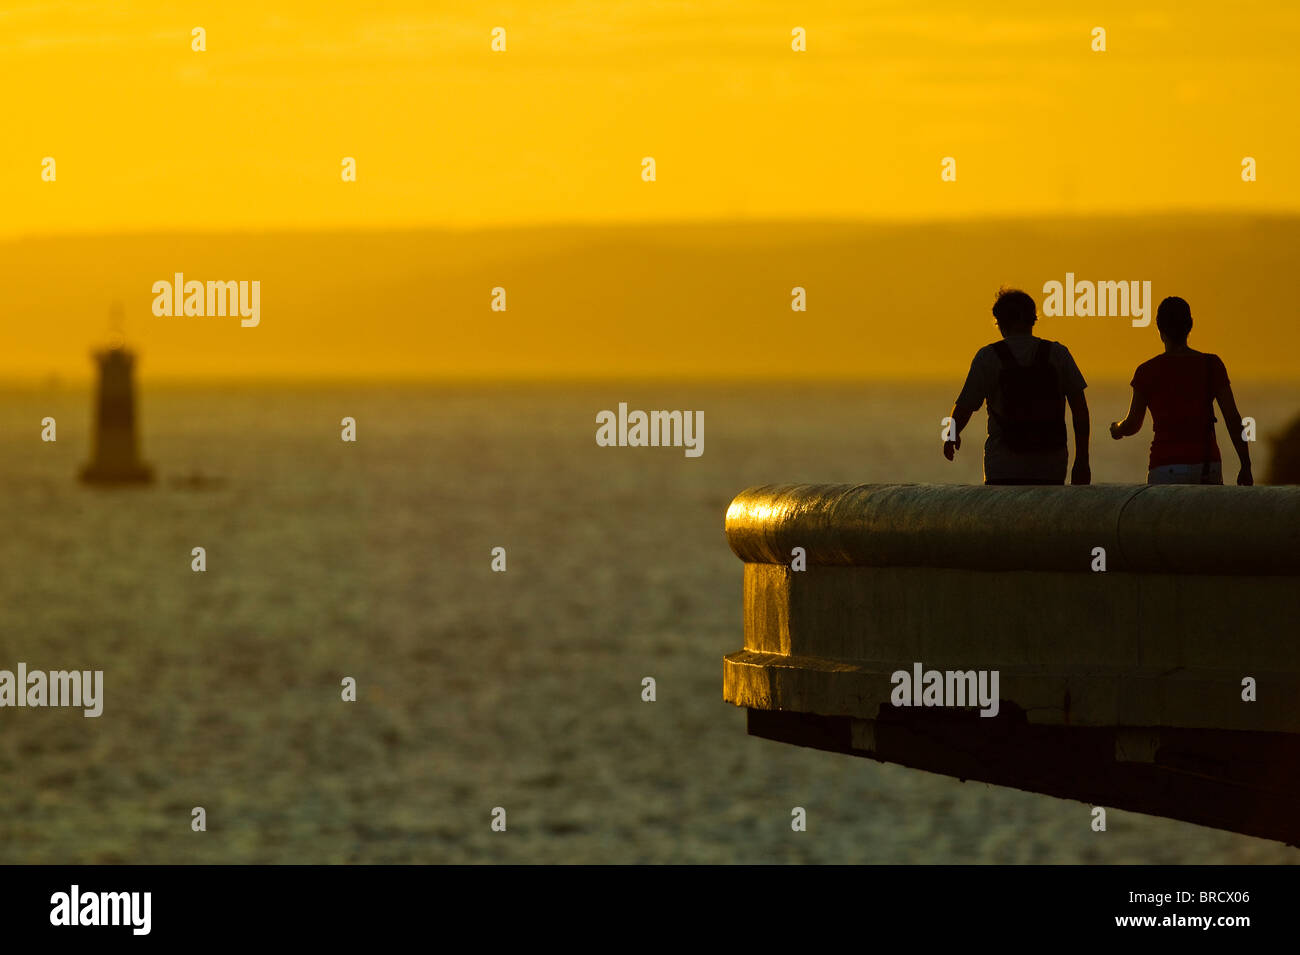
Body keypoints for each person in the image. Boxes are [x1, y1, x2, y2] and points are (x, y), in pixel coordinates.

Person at [945, 288, 1090, 485]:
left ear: (999, 321)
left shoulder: (988, 357)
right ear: (1033, 319)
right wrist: (1082, 461)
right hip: (1050, 466)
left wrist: (951, 436)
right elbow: (1080, 411)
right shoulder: (1058, 354)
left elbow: (964, 407)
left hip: (1003, 467)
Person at [1109, 296, 1252, 485]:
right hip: (1207, 466)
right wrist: (1245, 464)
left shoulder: (1147, 371)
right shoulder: (1211, 365)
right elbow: (1233, 419)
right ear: (1190, 326)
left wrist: (1117, 428)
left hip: (1165, 467)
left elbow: (1133, 424)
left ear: (1160, 330)